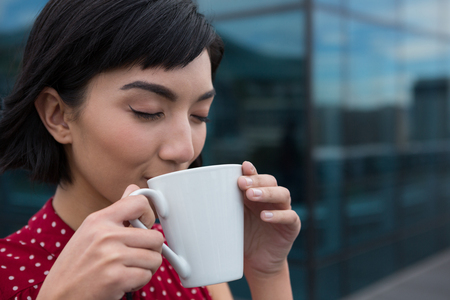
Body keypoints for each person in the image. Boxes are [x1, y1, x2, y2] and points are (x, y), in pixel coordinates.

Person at [0, 0, 301, 299]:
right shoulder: (9, 275)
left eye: (199, 115)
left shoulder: (185, 256)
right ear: (57, 115)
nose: (185, 150)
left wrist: (267, 273)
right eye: (148, 111)